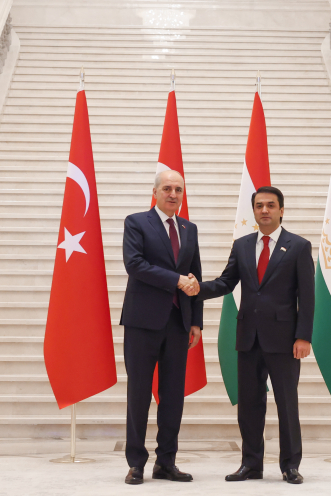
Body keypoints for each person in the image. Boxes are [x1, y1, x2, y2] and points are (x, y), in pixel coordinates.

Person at [182, 186, 314, 484]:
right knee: (249, 406)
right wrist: (197, 288)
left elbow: (307, 296)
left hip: (284, 340)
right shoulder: (242, 245)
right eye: (259, 205)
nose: (264, 210)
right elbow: (226, 282)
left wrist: (303, 336)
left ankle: (290, 465)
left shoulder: (298, 246)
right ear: (253, 210)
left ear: (281, 210)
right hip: (248, 338)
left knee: (287, 405)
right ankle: (251, 464)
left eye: (270, 205)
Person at [120, 170, 203, 485]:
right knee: (139, 393)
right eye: (167, 188)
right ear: (154, 192)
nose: (173, 194)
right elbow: (135, 264)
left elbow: (195, 276)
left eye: (178, 189)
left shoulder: (189, 229)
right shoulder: (136, 222)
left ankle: (166, 462)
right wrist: (176, 280)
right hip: (142, 322)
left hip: (178, 323)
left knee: (173, 396)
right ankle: (136, 463)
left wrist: (196, 321)